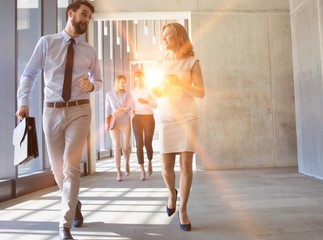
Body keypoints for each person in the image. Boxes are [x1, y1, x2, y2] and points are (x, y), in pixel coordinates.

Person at [15, 1, 102, 239]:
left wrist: (92, 85)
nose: (86, 19)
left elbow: (100, 81)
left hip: (80, 110)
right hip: (51, 111)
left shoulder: (90, 51)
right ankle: (74, 203)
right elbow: (29, 73)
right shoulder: (46, 42)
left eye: (90, 17)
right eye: (84, 14)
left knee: (71, 167)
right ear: (70, 13)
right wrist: (23, 102)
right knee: (58, 170)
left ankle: (64, 225)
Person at [152, 23, 205, 231]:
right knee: (166, 166)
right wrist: (157, 89)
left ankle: (183, 209)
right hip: (166, 116)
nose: (164, 39)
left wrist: (179, 83)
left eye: (168, 35)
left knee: (185, 165)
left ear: (179, 37)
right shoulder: (160, 63)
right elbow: (155, 92)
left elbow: (201, 92)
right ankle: (171, 193)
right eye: (163, 36)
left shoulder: (193, 62)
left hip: (188, 117)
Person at [105, 75, 132, 182]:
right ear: (117, 83)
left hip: (125, 122)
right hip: (114, 123)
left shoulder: (126, 94)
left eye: (125, 83)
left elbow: (130, 107)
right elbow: (107, 109)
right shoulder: (109, 94)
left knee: (125, 147)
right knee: (116, 147)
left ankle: (126, 162)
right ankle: (118, 171)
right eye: (122, 82)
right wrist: (106, 122)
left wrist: (121, 110)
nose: (124, 84)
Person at [131, 70, 157, 181]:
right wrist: (132, 109)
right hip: (137, 118)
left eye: (139, 80)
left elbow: (155, 105)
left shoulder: (150, 90)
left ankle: (150, 162)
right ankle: (142, 170)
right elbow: (132, 104)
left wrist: (146, 102)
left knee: (148, 143)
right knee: (139, 145)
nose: (137, 82)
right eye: (135, 80)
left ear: (143, 79)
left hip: (148, 118)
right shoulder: (133, 91)